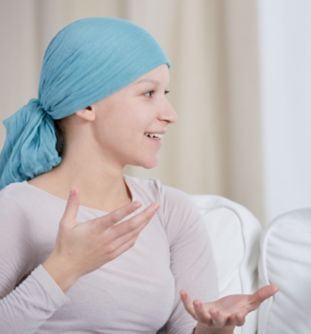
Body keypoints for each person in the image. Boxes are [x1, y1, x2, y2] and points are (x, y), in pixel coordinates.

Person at [0, 17, 277, 333]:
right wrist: (64, 267)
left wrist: (215, 328)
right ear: (87, 104)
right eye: (148, 93)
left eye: (166, 93)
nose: (170, 114)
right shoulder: (16, 208)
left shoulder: (170, 211)